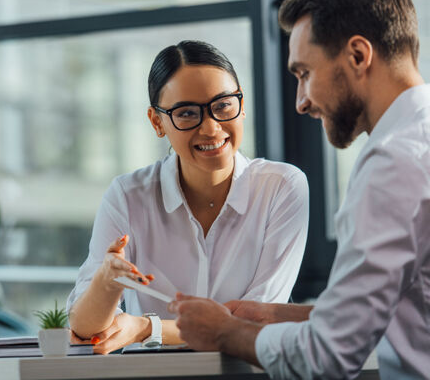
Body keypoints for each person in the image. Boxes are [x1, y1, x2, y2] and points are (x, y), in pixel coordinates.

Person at [169, 0, 429, 380]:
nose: (301, 103)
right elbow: (411, 307)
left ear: (358, 55)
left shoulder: (394, 165)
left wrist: (225, 332)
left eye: (304, 73)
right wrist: (279, 315)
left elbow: (326, 356)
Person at [66, 40, 309, 354]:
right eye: (187, 113)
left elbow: (256, 319)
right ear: (157, 122)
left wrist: (146, 328)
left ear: (242, 103)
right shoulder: (127, 196)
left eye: (223, 105)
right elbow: (84, 328)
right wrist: (106, 283)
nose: (211, 128)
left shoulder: (282, 187)